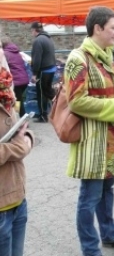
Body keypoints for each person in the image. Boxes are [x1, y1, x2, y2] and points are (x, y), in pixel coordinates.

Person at [64, 6, 114, 256]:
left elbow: (108, 93)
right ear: (98, 28)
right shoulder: (79, 58)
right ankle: (90, 249)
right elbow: (76, 101)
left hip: (111, 139)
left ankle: (109, 234)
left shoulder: (105, 55)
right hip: (92, 142)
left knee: (107, 190)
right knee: (89, 197)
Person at [0, 40, 34, 256]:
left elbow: (18, 127)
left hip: (17, 197)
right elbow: (18, 146)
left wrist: (27, 134)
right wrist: (20, 148)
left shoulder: (5, 91)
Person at [30, 22, 56, 122]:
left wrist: (34, 73)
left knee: (41, 94)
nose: (31, 33)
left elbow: (37, 58)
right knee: (48, 92)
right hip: (51, 69)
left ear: (34, 30)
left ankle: (43, 116)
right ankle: (57, 110)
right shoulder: (48, 38)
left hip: (43, 70)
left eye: (31, 31)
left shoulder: (38, 40)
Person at [1, 36, 29, 117]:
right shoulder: (16, 52)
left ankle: (22, 120)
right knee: (19, 100)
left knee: (17, 101)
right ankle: (19, 118)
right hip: (24, 80)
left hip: (16, 81)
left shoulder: (5, 54)